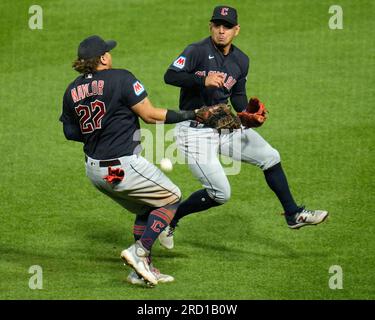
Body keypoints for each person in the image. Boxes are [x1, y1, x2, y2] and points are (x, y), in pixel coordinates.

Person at [159, 6, 328, 249]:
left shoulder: (241, 60)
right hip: (193, 131)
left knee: (270, 156)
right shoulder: (196, 51)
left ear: (236, 30)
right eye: (217, 25)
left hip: (224, 124)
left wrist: (249, 113)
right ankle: (170, 219)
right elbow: (170, 76)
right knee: (220, 194)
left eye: (227, 26)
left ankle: (293, 214)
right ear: (210, 27)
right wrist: (201, 80)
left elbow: (238, 95)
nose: (221, 30)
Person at [59, 35, 204, 286]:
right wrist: (193, 114)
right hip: (122, 166)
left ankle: (140, 272)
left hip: (94, 171)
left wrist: (99, 133)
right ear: (103, 58)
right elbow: (149, 115)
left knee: (147, 207)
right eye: (108, 52)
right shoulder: (122, 78)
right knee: (172, 197)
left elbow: (70, 132)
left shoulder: (71, 90)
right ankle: (139, 252)